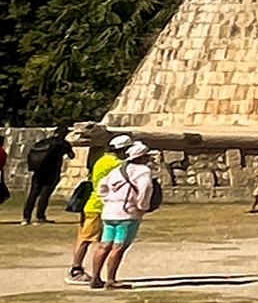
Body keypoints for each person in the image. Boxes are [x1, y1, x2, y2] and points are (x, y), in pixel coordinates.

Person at [85, 141, 159, 289]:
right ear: (141, 157)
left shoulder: (118, 169)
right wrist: (142, 206)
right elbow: (145, 188)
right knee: (118, 246)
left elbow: (102, 186)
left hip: (110, 211)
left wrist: (108, 200)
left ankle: (96, 277)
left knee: (104, 245)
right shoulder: (143, 171)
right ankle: (111, 280)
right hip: (127, 213)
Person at [66, 132, 126, 284]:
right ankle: (76, 269)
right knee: (86, 238)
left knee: (89, 238)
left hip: (95, 203)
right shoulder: (115, 163)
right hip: (97, 205)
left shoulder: (103, 159)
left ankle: (81, 269)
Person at [20, 124, 71, 226]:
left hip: (38, 172)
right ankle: (40, 217)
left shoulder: (43, 142)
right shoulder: (63, 144)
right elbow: (72, 155)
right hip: (52, 172)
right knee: (44, 195)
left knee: (33, 194)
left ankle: (26, 217)